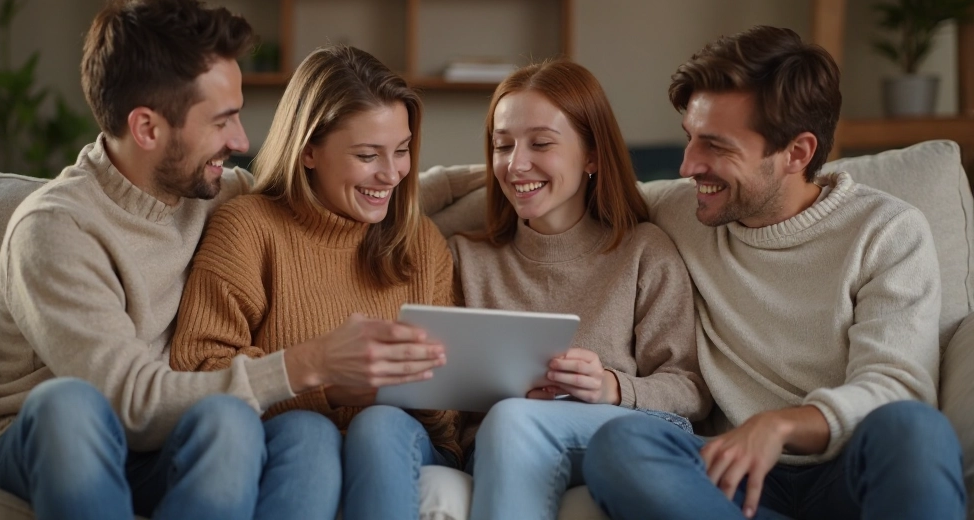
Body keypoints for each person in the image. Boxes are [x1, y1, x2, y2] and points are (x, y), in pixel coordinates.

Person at [0, 0, 445, 520]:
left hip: (157, 444)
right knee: (69, 406)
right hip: (50, 438)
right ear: (147, 127)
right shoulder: (53, 229)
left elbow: (326, 185)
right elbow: (129, 403)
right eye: (221, 120)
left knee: (245, 423)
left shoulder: (208, 190)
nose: (240, 138)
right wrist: (314, 362)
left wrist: (503, 181)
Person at [583, 26, 967, 520]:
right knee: (621, 444)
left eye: (716, 147)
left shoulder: (887, 231)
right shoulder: (682, 209)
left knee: (915, 428)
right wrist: (459, 180)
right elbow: (545, 182)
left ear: (797, 153)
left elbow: (895, 386)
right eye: (689, 139)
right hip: (730, 481)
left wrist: (780, 426)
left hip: (848, 471)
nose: (686, 166)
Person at [170, 44, 462, 520]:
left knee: (379, 424)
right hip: (291, 441)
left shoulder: (420, 240)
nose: (391, 174)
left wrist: (422, 392)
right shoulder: (249, 228)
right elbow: (198, 369)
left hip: (402, 440)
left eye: (403, 150)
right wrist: (328, 388)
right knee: (309, 430)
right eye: (368, 155)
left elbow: (451, 414)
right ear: (308, 150)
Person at [449, 60, 712, 520]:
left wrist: (611, 387)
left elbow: (689, 389)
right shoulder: (464, 259)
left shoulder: (642, 251)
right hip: (501, 446)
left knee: (511, 419)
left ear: (591, 155)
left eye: (541, 144)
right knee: (509, 418)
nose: (516, 165)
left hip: (619, 437)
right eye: (502, 145)